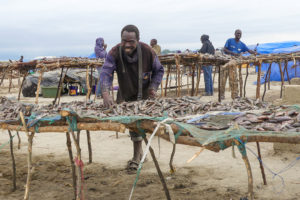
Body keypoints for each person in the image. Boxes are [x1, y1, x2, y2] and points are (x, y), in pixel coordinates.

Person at [100, 25, 164, 171]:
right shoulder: (115, 52)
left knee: (140, 123)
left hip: (146, 94)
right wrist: (105, 93)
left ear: (138, 40)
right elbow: (106, 73)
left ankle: (138, 156)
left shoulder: (148, 51)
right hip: (126, 94)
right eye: (124, 41)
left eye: (131, 41)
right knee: (132, 123)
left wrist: (153, 87)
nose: (127, 45)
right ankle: (139, 155)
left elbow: (159, 70)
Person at [220, 29, 257, 99]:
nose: (238, 35)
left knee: (234, 79)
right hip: (226, 62)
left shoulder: (242, 44)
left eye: (240, 34)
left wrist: (255, 53)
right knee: (223, 79)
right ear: (234, 34)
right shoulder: (229, 40)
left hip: (234, 64)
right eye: (237, 33)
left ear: (241, 35)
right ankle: (222, 95)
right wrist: (232, 53)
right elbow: (224, 49)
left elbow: (248, 50)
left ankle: (235, 95)